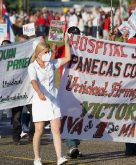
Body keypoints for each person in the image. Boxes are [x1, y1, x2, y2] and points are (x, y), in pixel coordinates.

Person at [28, 34, 71, 165]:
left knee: (56, 129)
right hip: (40, 101)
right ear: (38, 53)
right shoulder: (32, 67)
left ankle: (60, 158)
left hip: (53, 100)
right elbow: (33, 81)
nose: (48, 54)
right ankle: (37, 158)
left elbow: (67, 58)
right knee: (39, 130)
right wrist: (39, 92)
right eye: (45, 52)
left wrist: (66, 42)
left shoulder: (51, 64)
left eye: (48, 51)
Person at [54, 26, 83, 159]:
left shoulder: (84, 50)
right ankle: (72, 146)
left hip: (82, 89)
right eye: (72, 35)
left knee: (80, 118)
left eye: (76, 35)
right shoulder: (62, 49)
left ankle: (74, 145)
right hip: (66, 90)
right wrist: (54, 49)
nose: (74, 38)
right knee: (67, 118)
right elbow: (52, 61)